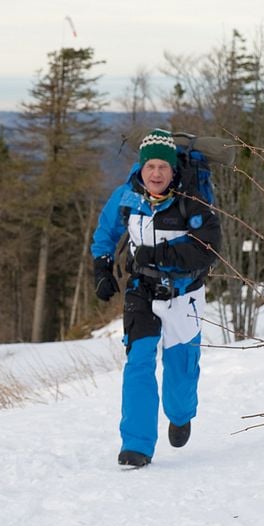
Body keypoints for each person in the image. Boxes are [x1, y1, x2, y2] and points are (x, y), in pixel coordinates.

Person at [89, 128, 221, 468]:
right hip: (142, 291)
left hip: (184, 295)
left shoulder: (192, 199)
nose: (157, 174)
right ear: (141, 168)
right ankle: (136, 445)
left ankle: (181, 415)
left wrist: (156, 255)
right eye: (150, 167)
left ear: (173, 169)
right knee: (139, 363)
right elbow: (105, 232)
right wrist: (102, 269)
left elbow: (206, 248)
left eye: (163, 166)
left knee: (180, 370)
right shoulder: (127, 196)